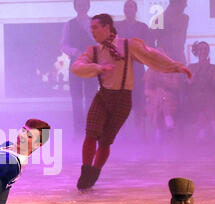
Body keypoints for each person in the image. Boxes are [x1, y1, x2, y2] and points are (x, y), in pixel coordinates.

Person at [71, 14, 192, 189]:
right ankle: (86, 171)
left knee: (105, 141)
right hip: (103, 96)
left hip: (122, 99)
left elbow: (152, 55)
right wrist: (98, 67)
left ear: (107, 27)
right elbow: (78, 66)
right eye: (91, 29)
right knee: (91, 133)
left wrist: (176, 66)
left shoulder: (128, 45)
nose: (93, 31)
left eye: (96, 27)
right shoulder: (93, 51)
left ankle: (95, 173)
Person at [115, 0, 153, 139]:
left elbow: (148, 46)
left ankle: (139, 134)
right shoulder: (117, 26)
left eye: (131, 6)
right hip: (122, 69)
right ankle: (121, 134)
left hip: (137, 68)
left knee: (138, 100)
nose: (128, 8)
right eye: (126, 6)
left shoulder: (143, 27)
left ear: (135, 9)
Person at [60, 0, 97, 135]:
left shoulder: (96, 23)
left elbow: (101, 42)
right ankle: (78, 132)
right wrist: (75, 51)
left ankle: (91, 130)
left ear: (88, 6)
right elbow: (63, 45)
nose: (81, 7)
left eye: (84, 5)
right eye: (79, 5)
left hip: (91, 64)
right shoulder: (69, 24)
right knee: (76, 98)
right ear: (75, 7)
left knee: (91, 97)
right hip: (76, 65)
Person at [186, 41, 215, 142]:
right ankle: (213, 122)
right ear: (197, 52)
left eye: (205, 49)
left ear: (208, 51)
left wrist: (210, 71)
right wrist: (198, 71)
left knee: (207, 102)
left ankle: (201, 132)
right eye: (201, 49)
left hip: (210, 97)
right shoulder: (191, 67)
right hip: (195, 97)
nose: (203, 51)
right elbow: (188, 83)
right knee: (203, 101)